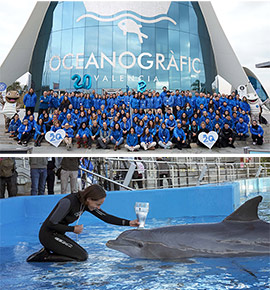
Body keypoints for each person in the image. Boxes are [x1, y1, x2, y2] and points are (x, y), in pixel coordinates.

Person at [27, 184, 139, 262]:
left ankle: (48, 251)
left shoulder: (85, 203)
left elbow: (106, 217)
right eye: (97, 204)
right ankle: (44, 256)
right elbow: (51, 224)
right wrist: (73, 229)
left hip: (58, 235)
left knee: (81, 255)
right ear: (89, 199)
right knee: (81, 257)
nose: (98, 208)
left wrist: (129, 222)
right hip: (48, 235)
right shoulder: (68, 201)